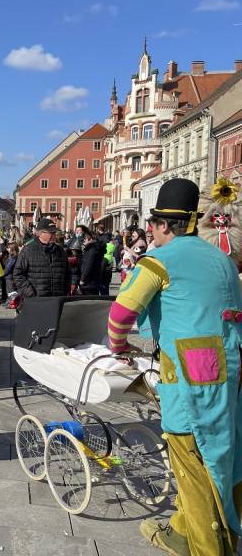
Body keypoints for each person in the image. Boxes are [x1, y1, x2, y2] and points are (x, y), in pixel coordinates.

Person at [107, 179, 242, 555]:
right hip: (232, 374)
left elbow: (120, 314)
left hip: (190, 378)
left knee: (193, 469)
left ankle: (208, 548)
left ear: (164, 224)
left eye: (152, 223)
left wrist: (119, 347)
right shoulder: (223, 260)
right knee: (222, 460)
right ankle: (182, 532)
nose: (150, 230)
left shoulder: (159, 262)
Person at [12, 217, 68, 298]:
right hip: (36, 300)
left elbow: (68, 273)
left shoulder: (60, 251)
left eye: (54, 232)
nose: (54, 235)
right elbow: (18, 275)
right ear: (41, 233)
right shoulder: (28, 251)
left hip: (58, 299)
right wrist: (31, 294)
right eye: (51, 232)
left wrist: (65, 291)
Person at [78, 226, 103, 295]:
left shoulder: (91, 250)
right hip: (92, 281)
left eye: (84, 239)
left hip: (89, 281)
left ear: (89, 239)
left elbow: (88, 265)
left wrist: (83, 279)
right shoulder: (93, 248)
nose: (83, 241)